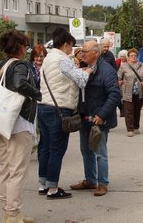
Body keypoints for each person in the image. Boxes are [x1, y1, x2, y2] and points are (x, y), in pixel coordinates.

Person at [0, 30, 42, 223]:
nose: (27, 50)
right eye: (26, 46)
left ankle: (8, 212)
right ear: (20, 47)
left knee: (5, 170)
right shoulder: (21, 64)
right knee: (17, 171)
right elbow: (20, 83)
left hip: (0, 123)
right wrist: (36, 94)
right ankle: (13, 214)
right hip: (19, 123)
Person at [37, 27, 92, 200]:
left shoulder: (47, 59)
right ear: (66, 44)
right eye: (71, 46)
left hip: (44, 106)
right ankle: (53, 189)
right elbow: (81, 80)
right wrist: (89, 70)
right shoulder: (63, 59)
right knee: (57, 150)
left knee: (45, 147)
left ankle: (43, 183)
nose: (72, 50)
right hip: (59, 109)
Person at [69, 40, 121, 196]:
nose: (82, 53)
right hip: (84, 117)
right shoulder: (84, 68)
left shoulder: (107, 70)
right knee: (86, 150)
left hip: (98, 119)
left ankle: (102, 183)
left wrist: (101, 115)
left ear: (96, 53)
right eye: (82, 51)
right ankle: (90, 180)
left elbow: (115, 95)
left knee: (99, 152)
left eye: (85, 51)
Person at [117, 48, 143, 137]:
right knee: (128, 111)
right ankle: (130, 129)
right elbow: (118, 77)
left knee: (137, 111)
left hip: (139, 92)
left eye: (135, 55)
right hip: (127, 92)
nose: (133, 57)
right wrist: (119, 81)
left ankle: (136, 127)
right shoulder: (123, 66)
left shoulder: (142, 65)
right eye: (131, 55)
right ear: (128, 57)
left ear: (137, 56)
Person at [115, 49, 128, 117]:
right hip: (118, 82)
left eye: (124, 56)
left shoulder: (129, 63)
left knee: (125, 98)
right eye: (121, 56)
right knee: (117, 97)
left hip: (126, 83)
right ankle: (121, 109)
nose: (122, 58)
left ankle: (125, 111)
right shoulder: (117, 62)